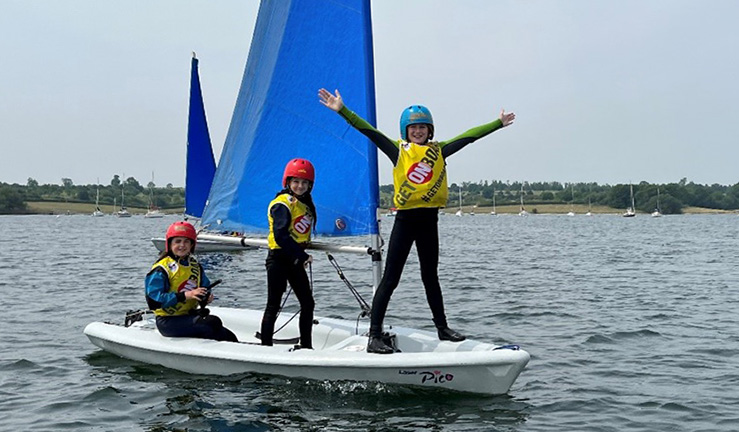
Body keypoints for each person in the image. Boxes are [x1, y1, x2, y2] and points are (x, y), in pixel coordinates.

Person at [318, 88, 515, 354]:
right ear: (405, 131)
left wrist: (497, 124)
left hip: (429, 221)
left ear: (430, 130)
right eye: (413, 128)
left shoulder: (439, 150)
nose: (418, 131)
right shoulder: (399, 151)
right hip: (405, 220)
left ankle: (442, 328)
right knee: (391, 279)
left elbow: (469, 137)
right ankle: (374, 336)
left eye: (423, 127)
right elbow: (367, 130)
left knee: (430, 276)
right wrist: (342, 110)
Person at [145, 221, 238, 342]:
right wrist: (186, 295)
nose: (182, 245)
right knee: (212, 322)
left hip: (189, 315)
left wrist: (206, 297)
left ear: (192, 245)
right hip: (168, 321)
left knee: (229, 335)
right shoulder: (161, 269)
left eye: (186, 241)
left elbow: (204, 286)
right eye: (177, 241)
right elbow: (153, 301)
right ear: (170, 243)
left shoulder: (195, 266)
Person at [260, 158, 317, 349]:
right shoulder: (282, 203)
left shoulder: (305, 204)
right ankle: (266, 348)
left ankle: (307, 346)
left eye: (304, 183)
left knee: (308, 303)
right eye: (296, 182)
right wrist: (302, 257)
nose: (300, 186)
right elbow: (281, 236)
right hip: (278, 260)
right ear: (288, 182)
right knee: (273, 306)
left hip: (294, 261)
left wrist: (300, 256)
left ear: (310, 185)